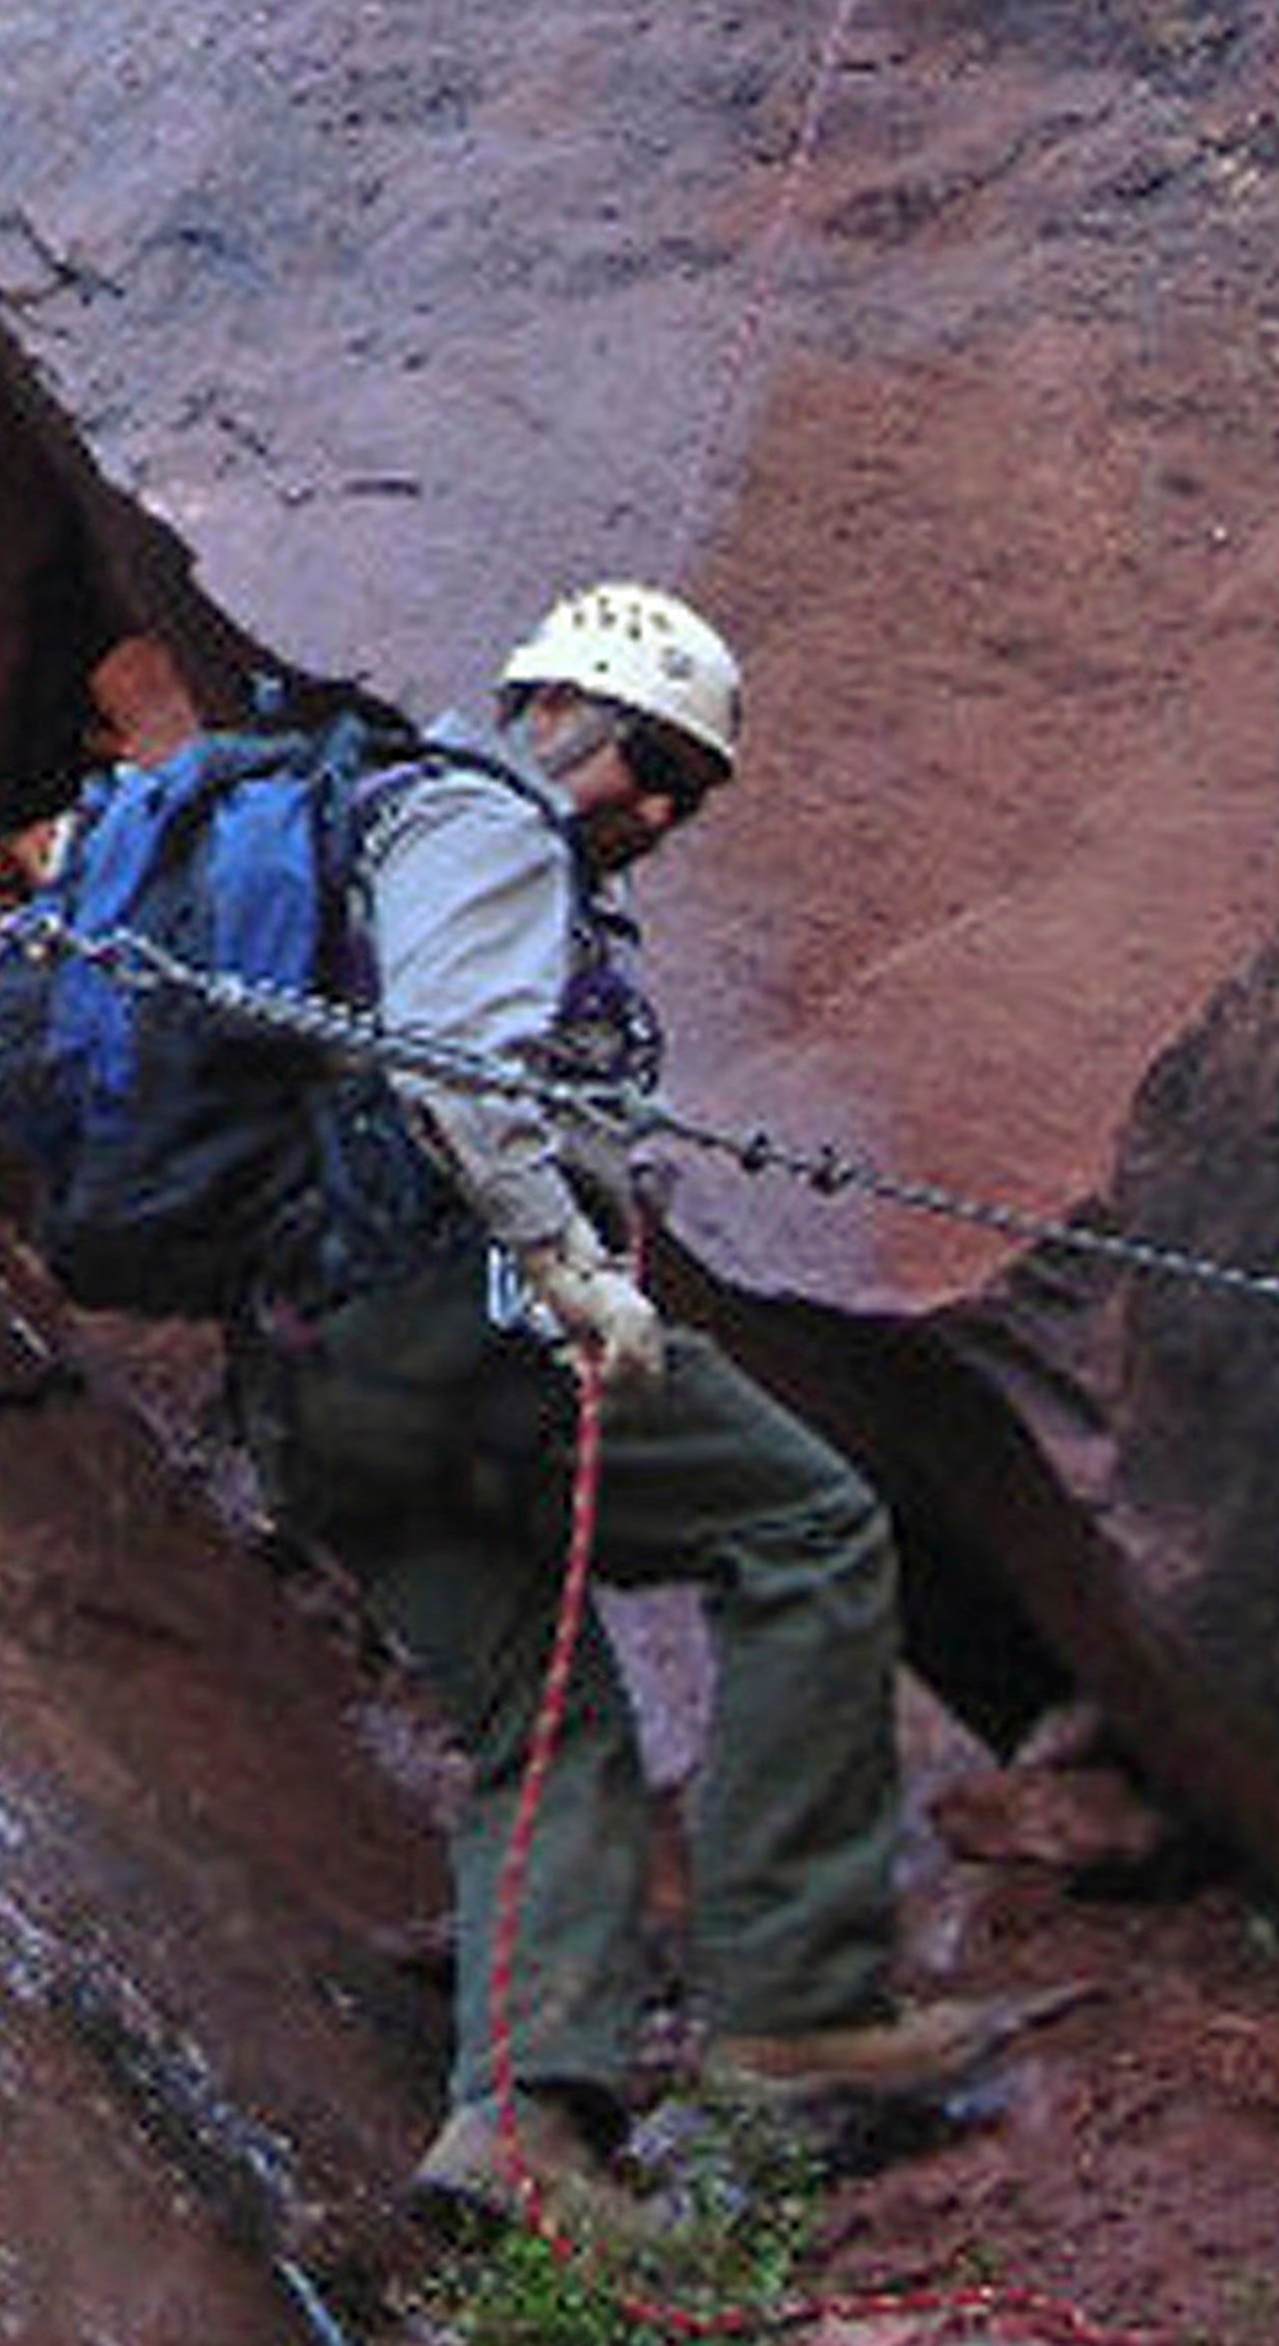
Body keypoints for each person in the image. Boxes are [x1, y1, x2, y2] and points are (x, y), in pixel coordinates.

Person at [234, 577, 1025, 2224]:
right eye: (645, 761)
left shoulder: (361, 833)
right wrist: (579, 1272)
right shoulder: (484, 825)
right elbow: (453, 1073)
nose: (656, 809)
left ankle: (523, 2140)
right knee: (808, 1525)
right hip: (458, 1325)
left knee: (551, 1723)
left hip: (310, 1378)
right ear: (551, 709)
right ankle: (800, 2006)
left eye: (688, 789)